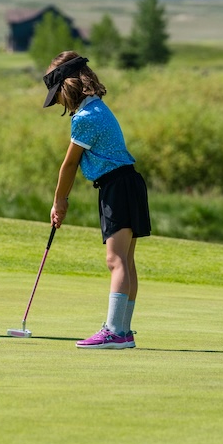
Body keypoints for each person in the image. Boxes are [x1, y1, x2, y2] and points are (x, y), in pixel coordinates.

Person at [42, 51, 151, 350]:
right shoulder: (98, 109)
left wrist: (59, 202)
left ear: (68, 86)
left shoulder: (86, 118)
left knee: (115, 261)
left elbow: (69, 165)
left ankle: (115, 331)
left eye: (58, 95)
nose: (59, 103)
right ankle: (124, 331)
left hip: (117, 187)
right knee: (126, 261)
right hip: (128, 183)